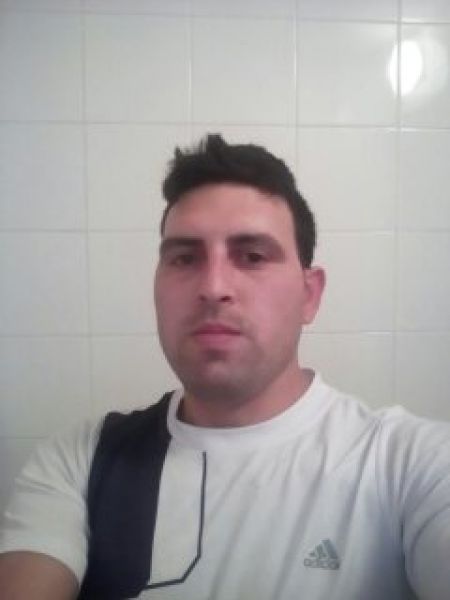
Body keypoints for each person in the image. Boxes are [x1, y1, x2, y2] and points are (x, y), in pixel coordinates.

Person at [0, 134, 449, 600]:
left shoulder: (409, 466)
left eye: (252, 256)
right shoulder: (80, 461)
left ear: (309, 295)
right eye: (184, 258)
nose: (213, 287)